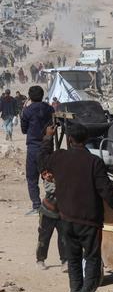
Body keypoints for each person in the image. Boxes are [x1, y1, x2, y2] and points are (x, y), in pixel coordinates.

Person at [40, 123, 113, 292]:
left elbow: (42, 160)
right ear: (86, 140)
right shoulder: (94, 162)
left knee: (73, 259)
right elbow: (106, 191)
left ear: (70, 140)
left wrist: (48, 137)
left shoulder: (59, 157)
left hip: (66, 218)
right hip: (89, 220)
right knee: (92, 259)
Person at [21, 86, 54, 215]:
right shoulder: (49, 108)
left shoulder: (27, 111)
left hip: (33, 147)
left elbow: (24, 130)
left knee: (31, 177)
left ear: (30, 96)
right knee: (49, 176)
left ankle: (36, 206)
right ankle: (52, 204)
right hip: (48, 146)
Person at [36, 168, 67, 272]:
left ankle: (65, 261)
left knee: (64, 238)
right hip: (47, 212)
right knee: (44, 238)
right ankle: (40, 260)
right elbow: (50, 188)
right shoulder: (48, 173)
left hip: (62, 213)